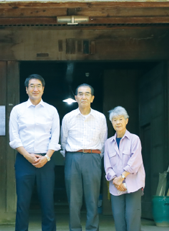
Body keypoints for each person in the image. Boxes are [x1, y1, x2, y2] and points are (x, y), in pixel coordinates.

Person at [9, 74, 60, 231]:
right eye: (32, 86)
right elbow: (14, 137)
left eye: (38, 86)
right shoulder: (17, 110)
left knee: (47, 202)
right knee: (23, 203)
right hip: (24, 160)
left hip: (46, 160)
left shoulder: (51, 111)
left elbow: (55, 136)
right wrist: (27, 155)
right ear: (26, 89)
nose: (35, 89)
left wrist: (47, 157)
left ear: (43, 89)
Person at [61, 83, 107, 231]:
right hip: (72, 158)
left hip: (93, 158)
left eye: (87, 94)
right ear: (76, 97)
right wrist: (71, 156)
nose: (83, 97)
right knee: (74, 199)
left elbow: (103, 141)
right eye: (80, 94)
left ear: (92, 98)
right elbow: (63, 141)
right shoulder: (68, 118)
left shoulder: (100, 117)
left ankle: (92, 228)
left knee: (92, 199)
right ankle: (75, 228)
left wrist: (96, 158)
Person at [104, 106, 145, 231]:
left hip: (133, 185)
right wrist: (116, 180)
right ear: (111, 123)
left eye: (120, 119)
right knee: (118, 219)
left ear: (126, 121)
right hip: (116, 186)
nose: (118, 122)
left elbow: (135, 161)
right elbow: (107, 166)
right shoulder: (108, 143)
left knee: (132, 218)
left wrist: (122, 178)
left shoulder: (134, 139)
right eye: (115, 120)